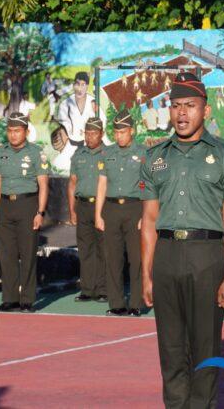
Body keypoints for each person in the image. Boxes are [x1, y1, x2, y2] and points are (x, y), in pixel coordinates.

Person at [140, 72, 224, 407]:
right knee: (171, 350)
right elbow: (149, 221)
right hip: (166, 256)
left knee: (205, 351)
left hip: (207, 256)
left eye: (190, 106)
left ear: (206, 110)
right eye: (176, 106)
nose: (182, 113)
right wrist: (146, 274)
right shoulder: (155, 158)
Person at [0, 112, 50, 312]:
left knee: (27, 254)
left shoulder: (36, 152)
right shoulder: (0, 151)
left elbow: (43, 184)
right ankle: (9, 299)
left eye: (17, 130)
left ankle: (27, 300)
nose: (13, 134)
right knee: (6, 255)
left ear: (26, 131)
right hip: (5, 205)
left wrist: (40, 212)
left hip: (27, 205)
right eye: (10, 131)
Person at [95, 109, 147, 316]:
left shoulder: (143, 153)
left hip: (135, 208)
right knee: (113, 258)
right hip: (111, 208)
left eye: (123, 132)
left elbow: (150, 186)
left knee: (136, 258)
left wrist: (146, 215)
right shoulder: (107, 153)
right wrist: (98, 214)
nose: (119, 136)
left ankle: (135, 303)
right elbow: (102, 184)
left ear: (131, 131)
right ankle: (116, 303)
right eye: (116, 132)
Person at [68, 117, 107, 302]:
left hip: (103, 206)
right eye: (87, 133)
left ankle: (103, 289)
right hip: (82, 206)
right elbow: (72, 183)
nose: (89, 137)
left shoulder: (109, 154)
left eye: (94, 133)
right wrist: (72, 210)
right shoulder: (79, 154)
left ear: (102, 134)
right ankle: (87, 289)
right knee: (85, 249)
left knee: (103, 249)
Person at [53, 72, 108, 172]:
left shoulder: (92, 102)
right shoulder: (66, 103)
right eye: (77, 84)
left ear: (87, 86)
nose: (80, 88)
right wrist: (68, 132)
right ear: (74, 85)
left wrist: (96, 112)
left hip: (90, 144)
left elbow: (103, 121)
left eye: (83, 85)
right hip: (72, 144)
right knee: (60, 165)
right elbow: (63, 122)